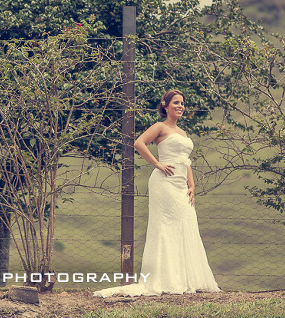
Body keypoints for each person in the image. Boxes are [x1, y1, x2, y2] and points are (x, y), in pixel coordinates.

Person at [94, 90, 220, 297]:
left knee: (186, 223)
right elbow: (139, 143)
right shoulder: (160, 127)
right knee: (166, 225)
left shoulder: (183, 133)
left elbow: (185, 161)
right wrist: (158, 164)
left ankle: (186, 278)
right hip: (164, 183)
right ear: (166, 106)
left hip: (181, 185)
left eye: (182, 103)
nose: (180, 106)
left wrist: (192, 185)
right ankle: (165, 278)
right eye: (176, 102)